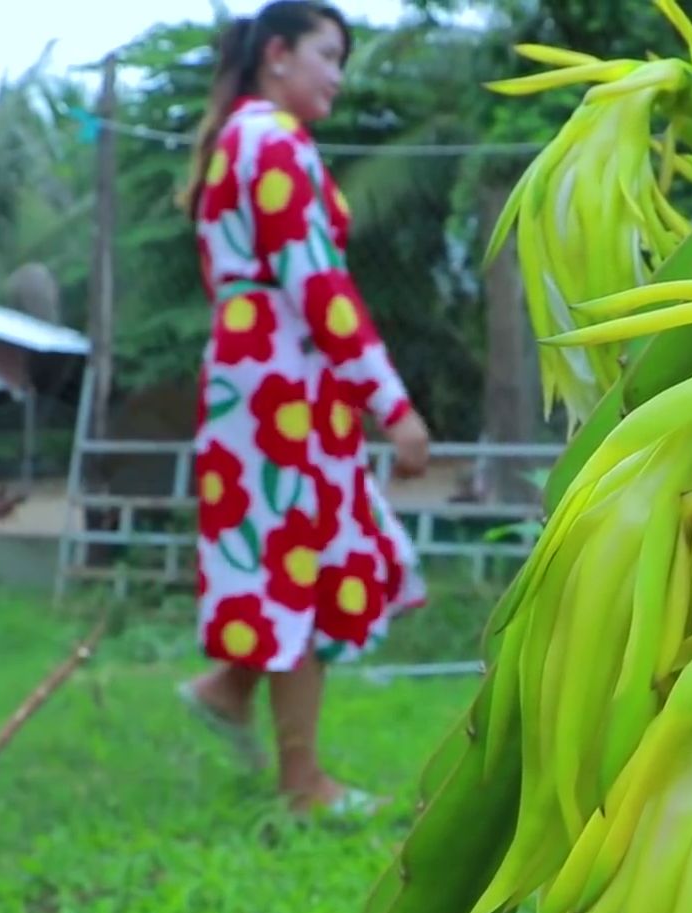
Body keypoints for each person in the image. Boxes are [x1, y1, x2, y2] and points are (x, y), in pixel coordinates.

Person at [175, 0, 432, 817]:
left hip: (263, 387)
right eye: (328, 54)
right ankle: (302, 784)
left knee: (295, 559)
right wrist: (391, 404)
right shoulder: (271, 143)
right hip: (279, 391)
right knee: (302, 564)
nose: (338, 75)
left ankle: (228, 690)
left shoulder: (243, 141)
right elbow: (316, 282)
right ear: (277, 55)